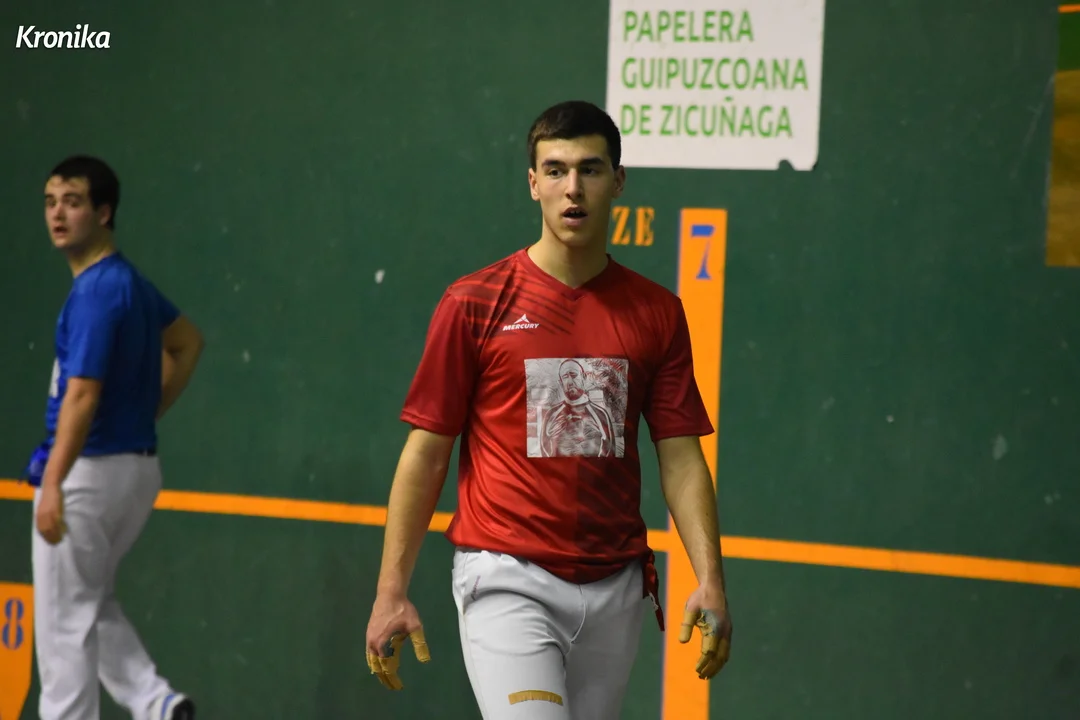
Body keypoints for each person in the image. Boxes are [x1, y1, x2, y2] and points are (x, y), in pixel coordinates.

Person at [364, 100, 733, 718]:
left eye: (590, 169)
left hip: (615, 587)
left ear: (618, 181)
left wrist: (711, 578)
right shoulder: (474, 303)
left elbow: (681, 458)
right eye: (556, 170)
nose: (573, 188)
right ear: (533, 183)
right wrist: (390, 590)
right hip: (506, 577)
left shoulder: (657, 312)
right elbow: (426, 455)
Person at [25, 155, 205, 720]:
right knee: (89, 601)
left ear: (104, 213)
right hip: (135, 472)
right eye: (51, 202)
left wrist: (53, 483)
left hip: (87, 476)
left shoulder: (97, 292)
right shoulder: (129, 284)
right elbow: (187, 343)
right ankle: (159, 704)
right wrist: (144, 412)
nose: (58, 214)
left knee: (63, 632)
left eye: (73, 202)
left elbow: (82, 394)